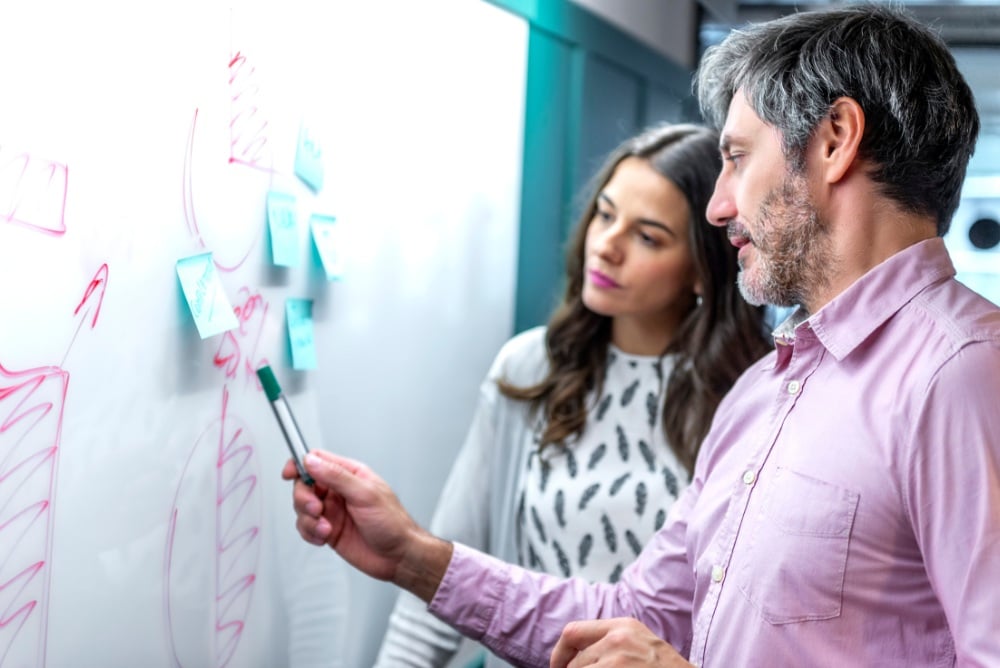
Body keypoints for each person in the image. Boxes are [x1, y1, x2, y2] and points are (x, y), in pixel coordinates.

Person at [285, 4, 1000, 666]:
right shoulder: (765, 393)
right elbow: (639, 615)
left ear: (835, 142)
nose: (720, 207)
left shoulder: (967, 374)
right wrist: (410, 554)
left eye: (738, 156)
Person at [374, 123, 771, 667]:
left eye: (647, 236)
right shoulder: (531, 367)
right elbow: (438, 577)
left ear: (703, 270)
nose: (606, 246)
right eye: (605, 215)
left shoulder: (755, 399)